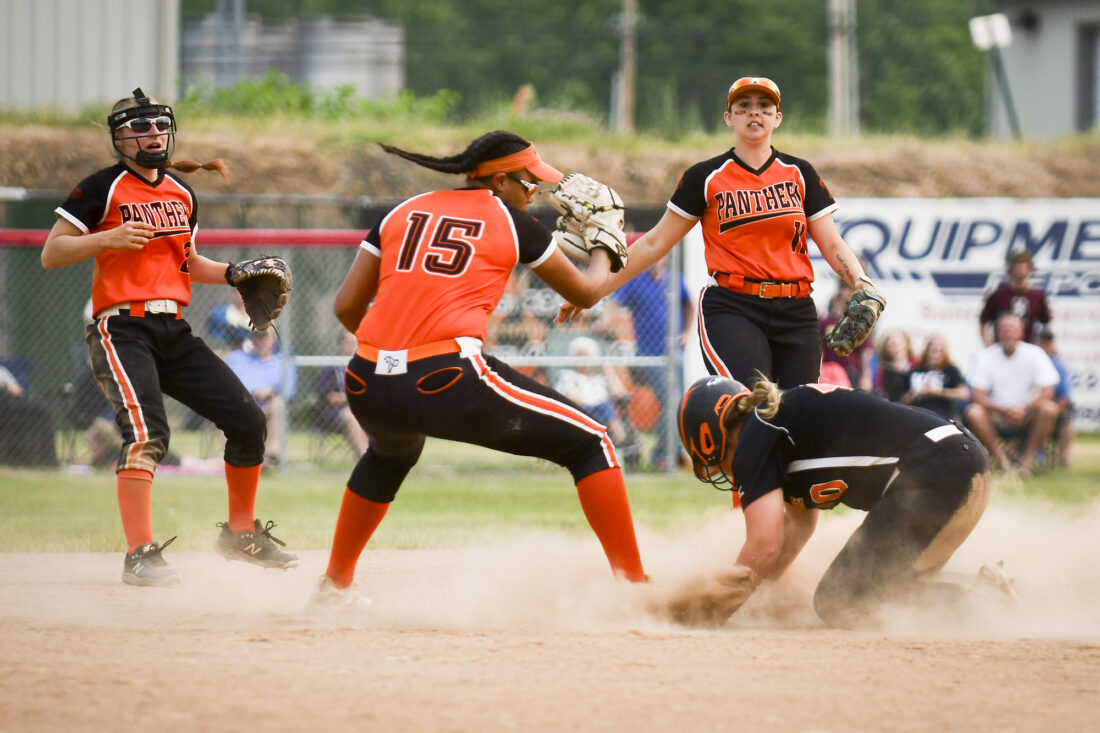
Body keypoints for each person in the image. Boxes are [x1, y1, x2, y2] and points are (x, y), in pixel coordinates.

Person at [313, 130, 648, 604]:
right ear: (499, 180)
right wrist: (605, 247)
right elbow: (588, 292)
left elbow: (347, 306)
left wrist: (392, 346)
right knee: (592, 441)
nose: (534, 193)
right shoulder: (512, 222)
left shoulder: (400, 210)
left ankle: (335, 585)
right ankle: (635, 588)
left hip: (366, 379)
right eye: (529, 183)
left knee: (388, 456)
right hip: (443, 377)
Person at [41, 88, 297, 586]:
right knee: (146, 435)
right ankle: (140, 555)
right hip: (120, 327)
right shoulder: (102, 188)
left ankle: (241, 532)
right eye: (138, 128)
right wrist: (107, 238)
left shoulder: (181, 193)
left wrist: (234, 273)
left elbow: (186, 262)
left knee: (246, 419)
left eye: (157, 126)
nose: (151, 135)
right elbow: (53, 253)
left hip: (172, 327)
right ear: (119, 139)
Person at [558, 76, 882, 390]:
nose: (754, 112)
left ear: (777, 118)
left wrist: (861, 283)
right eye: (744, 105)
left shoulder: (800, 173)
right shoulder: (705, 176)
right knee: (754, 403)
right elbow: (655, 243)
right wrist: (595, 288)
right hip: (734, 307)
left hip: (796, 309)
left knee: (799, 415)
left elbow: (830, 242)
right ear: (729, 117)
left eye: (764, 106)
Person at [677, 375, 1007, 629]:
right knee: (891, 592)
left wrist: (713, 611)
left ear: (708, 437)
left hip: (935, 471)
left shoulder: (754, 435)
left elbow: (764, 544)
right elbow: (797, 527)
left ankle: (982, 599)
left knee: (841, 602)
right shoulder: (771, 424)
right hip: (958, 464)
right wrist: (759, 597)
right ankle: (988, 592)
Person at [964, 313, 1060, 475]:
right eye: (1003, 329)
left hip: (1028, 413)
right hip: (997, 414)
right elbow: (977, 395)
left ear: (1021, 333)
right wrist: (1004, 410)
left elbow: (1048, 391)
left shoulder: (1036, 354)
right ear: (997, 333)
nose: (1008, 332)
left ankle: (1026, 463)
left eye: (1012, 329)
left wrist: (1024, 409)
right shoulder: (985, 356)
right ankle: (1003, 461)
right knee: (974, 412)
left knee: (1049, 409)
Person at [224, 328, 298, 468]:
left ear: (273, 341)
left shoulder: (282, 363)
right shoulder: (237, 359)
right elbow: (227, 385)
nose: (260, 341)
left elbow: (289, 391)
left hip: (268, 405)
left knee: (279, 404)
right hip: (242, 406)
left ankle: (272, 456)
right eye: (256, 337)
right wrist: (251, 392)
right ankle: (234, 458)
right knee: (222, 408)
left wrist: (270, 392)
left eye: (264, 338)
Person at [553, 336, 631, 449]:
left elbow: (621, 394)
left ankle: (622, 444)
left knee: (606, 407)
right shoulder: (567, 375)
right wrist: (593, 404)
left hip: (602, 414)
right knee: (605, 407)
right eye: (580, 356)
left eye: (586, 356)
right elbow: (568, 396)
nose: (583, 360)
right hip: (581, 412)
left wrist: (608, 372)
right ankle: (622, 440)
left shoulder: (598, 379)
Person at [313, 330, 370, 456]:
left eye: (354, 343)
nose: (351, 346)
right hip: (334, 413)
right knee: (350, 415)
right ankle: (364, 457)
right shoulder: (331, 368)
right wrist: (350, 397)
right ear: (340, 344)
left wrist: (347, 397)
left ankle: (375, 456)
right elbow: (328, 396)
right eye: (347, 343)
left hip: (362, 409)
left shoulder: (364, 367)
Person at [979, 249, 1051, 346]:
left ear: (1029, 269)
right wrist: (987, 344)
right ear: (1010, 269)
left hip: (1028, 348)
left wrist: (1041, 346)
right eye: (1017, 267)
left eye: (1023, 267)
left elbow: (1046, 324)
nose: (1020, 270)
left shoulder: (1038, 297)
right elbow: (983, 322)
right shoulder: (998, 296)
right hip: (1002, 350)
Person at [819, 281, 875, 391]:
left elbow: (865, 353)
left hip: (852, 373)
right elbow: (820, 349)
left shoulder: (860, 322)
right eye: (846, 288)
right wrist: (818, 372)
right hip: (830, 373)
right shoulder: (825, 322)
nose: (849, 293)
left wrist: (866, 377)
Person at [0, 363, 58, 468]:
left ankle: (46, 459)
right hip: (5, 406)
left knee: (40, 406)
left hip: (12, 404)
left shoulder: (2, 371)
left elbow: (17, 391)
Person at [902, 334, 969, 422]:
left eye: (938, 345)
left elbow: (963, 393)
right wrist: (914, 394)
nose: (934, 348)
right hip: (916, 413)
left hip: (942, 415)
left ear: (943, 350)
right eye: (931, 345)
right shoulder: (914, 370)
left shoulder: (950, 369)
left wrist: (938, 392)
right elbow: (902, 401)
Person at [1036, 326, 1074, 468]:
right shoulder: (1029, 360)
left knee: (1064, 418)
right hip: (1031, 409)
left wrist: (1052, 411)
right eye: (1041, 341)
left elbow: (1065, 397)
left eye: (1048, 341)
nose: (1044, 345)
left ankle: (1063, 460)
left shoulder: (1059, 365)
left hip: (1052, 409)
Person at [875, 329, 915, 402]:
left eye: (899, 344)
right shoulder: (883, 368)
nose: (896, 348)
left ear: (907, 345)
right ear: (886, 348)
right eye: (892, 345)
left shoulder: (916, 363)